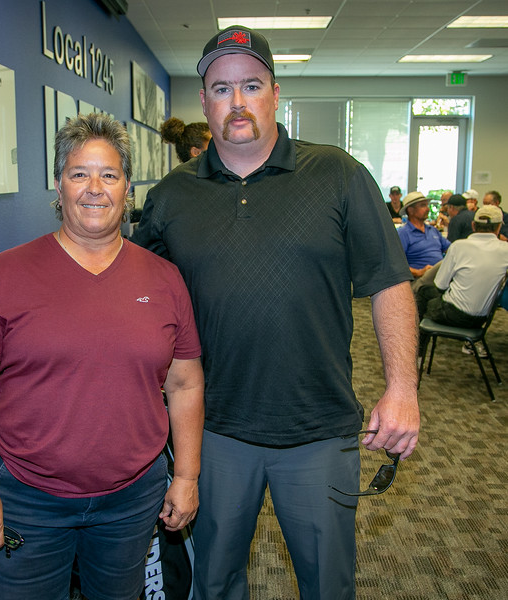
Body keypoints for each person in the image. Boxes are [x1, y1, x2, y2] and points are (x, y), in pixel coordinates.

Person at [132, 25, 419, 600]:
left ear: (274, 93)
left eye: (251, 85)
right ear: (205, 102)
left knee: (326, 583)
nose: (237, 103)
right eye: (221, 89)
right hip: (212, 431)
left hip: (318, 429)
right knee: (214, 580)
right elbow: (134, 293)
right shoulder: (172, 195)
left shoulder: (337, 174)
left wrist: (402, 388)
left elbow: (389, 281)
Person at [0, 113, 205, 600]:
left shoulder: (164, 279)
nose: (94, 188)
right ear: (59, 186)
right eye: (79, 174)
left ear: (127, 188)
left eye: (109, 175)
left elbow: (185, 384)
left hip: (131, 499)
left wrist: (187, 475)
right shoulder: (7, 274)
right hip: (28, 497)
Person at [416, 205, 508, 356]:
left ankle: (416, 353)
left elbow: (440, 285)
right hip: (482, 319)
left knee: (423, 293)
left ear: (473, 225)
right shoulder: (505, 250)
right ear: (498, 228)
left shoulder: (459, 246)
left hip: (454, 314)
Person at [398, 191, 451, 278]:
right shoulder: (403, 233)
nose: (428, 209)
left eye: (427, 205)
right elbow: (397, 265)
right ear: (411, 210)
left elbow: (450, 249)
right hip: (421, 280)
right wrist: (419, 272)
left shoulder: (433, 230)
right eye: (423, 206)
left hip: (440, 275)